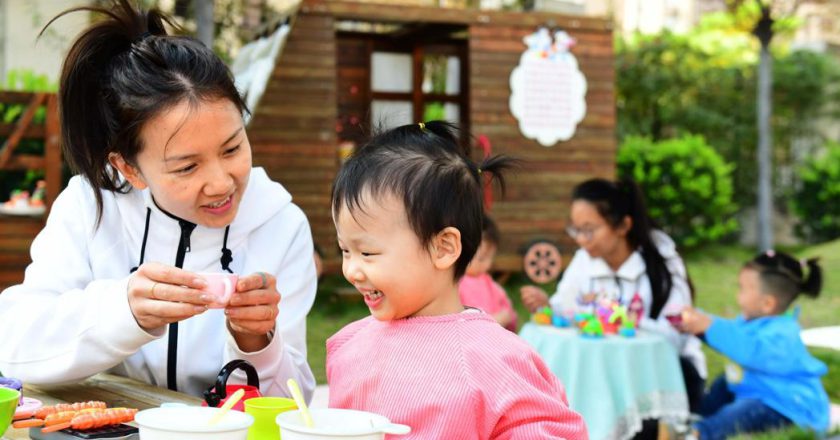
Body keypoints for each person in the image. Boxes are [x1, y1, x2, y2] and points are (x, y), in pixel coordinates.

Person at [0, 0, 317, 401]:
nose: (221, 183)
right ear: (128, 168)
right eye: (186, 167)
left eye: (233, 148)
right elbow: (12, 346)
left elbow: (294, 404)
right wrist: (124, 311)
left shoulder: (282, 224)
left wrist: (257, 343)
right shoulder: (90, 206)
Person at [327, 121, 588, 439]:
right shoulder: (351, 345)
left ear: (443, 247)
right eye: (345, 250)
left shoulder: (495, 359)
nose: (351, 270)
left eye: (367, 253)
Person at [519, 178, 706, 419]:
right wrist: (547, 305)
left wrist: (629, 323)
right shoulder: (584, 261)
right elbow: (565, 310)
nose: (581, 239)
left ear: (623, 226)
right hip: (602, 373)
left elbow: (678, 336)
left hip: (659, 374)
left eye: (589, 229)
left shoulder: (662, 264)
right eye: (576, 229)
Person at [681, 250, 829, 439]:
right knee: (724, 382)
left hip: (785, 405)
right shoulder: (751, 323)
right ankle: (700, 415)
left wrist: (709, 326)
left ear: (767, 303)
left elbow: (749, 349)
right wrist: (699, 325)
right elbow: (731, 335)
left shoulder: (783, 333)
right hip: (757, 390)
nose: (738, 295)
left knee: (735, 415)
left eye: (742, 289)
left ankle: (702, 432)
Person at [458, 214, 518, 331]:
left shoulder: (487, 281)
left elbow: (506, 307)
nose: (486, 264)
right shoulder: (458, 284)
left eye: (490, 257)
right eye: (481, 258)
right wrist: (496, 320)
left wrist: (508, 315)